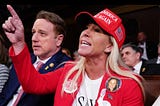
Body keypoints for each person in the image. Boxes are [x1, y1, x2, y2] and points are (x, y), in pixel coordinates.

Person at [2, 5, 145, 106]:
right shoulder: (68, 70)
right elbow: (32, 84)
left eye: (96, 30)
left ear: (110, 46)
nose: (86, 32)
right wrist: (19, 44)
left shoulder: (130, 85)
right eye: (86, 28)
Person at [0, 5, 72, 106]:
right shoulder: (24, 58)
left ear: (59, 40)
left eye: (42, 34)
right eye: (33, 32)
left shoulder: (66, 67)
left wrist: (19, 44)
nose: (34, 38)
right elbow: (5, 94)